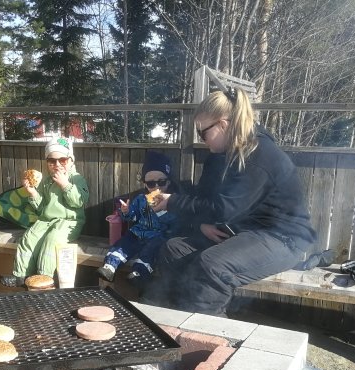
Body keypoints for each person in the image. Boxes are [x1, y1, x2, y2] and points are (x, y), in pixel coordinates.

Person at [144, 87, 316, 315]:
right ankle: (172, 316)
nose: (201, 139)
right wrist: (200, 225)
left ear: (223, 125)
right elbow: (205, 201)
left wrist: (172, 201)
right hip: (241, 231)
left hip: (282, 238)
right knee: (173, 249)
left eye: (203, 133)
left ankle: (209, 332)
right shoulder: (219, 158)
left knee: (213, 265)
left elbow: (223, 210)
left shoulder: (259, 156)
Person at [0, 137, 89, 287]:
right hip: (46, 221)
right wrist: (32, 192)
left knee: (52, 240)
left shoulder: (76, 179)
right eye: (52, 161)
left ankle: (43, 278)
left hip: (68, 223)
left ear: (71, 160)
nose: (57, 165)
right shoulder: (46, 182)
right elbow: (42, 208)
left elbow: (79, 201)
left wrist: (65, 185)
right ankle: (21, 275)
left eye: (62, 160)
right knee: (28, 237)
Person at [97, 151, 179, 287]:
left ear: (169, 181)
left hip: (157, 236)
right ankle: (110, 267)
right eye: (151, 184)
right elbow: (132, 216)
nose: (157, 187)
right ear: (145, 184)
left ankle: (140, 273)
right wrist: (126, 211)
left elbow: (175, 223)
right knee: (123, 243)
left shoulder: (172, 200)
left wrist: (162, 211)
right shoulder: (141, 199)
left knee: (152, 250)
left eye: (161, 182)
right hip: (138, 232)